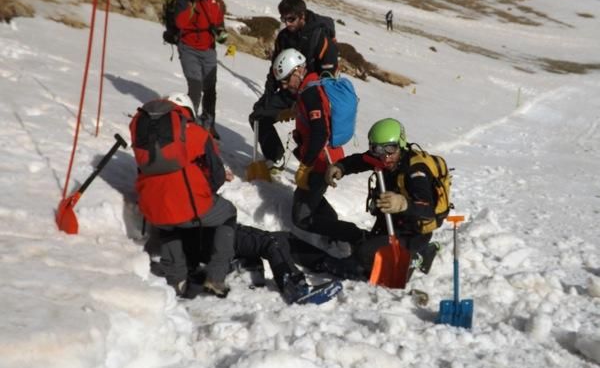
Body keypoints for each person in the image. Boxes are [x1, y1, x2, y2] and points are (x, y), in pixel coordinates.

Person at [134, 93, 340, 304]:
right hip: (202, 227)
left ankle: (198, 275)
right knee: (271, 240)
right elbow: (215, 179)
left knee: (233, 238)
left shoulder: (147, 144)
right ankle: (297, 287)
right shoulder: (195, 135)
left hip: (172, 236)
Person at [317, 118, 441, 280]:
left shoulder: (416, 171)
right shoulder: (384, 158)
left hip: (413, 232)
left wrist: (403, 204)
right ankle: (411, 253)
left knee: (366, 257)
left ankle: (416, 256)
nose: (385, 157)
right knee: (365, 247)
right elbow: (361, 160)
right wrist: (341, 167)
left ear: (401, 144)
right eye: (377, 149)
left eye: (390, 148)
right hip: (392, 224)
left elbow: (428, 209)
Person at [272, 49, 366, 246]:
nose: (284, 85)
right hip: (321, 158)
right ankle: (333, 233)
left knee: (301, 217)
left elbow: (320, 133)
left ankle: (352, 236)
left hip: (322, 161)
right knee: (304, 199)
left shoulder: (310, 92)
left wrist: (305, 166)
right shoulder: (310, 86)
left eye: (286, 79)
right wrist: (295, 112)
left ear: (298, 71)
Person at [248, 0, 339, 170]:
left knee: (313, 133)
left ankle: (313, 170)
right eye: (284, 19)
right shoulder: (284, 37)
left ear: (302, 15)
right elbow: (275, 71)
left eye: (291, 19)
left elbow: (329, 76)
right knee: (258, 116)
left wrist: (302, 104)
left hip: (314, 95)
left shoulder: (320, 36)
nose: (287, 23)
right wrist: (267, 98)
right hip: (290, 92)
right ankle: (275, 158)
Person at [173, 0, 227, 140]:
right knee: (195, 87)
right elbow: (180, 23)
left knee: (210, 89)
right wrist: (189, 3)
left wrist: (221, 33)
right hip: (188, 48)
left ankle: (209, 123)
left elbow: (219, 23)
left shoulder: (216, 1)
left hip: (208, 50)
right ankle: (189, 123)